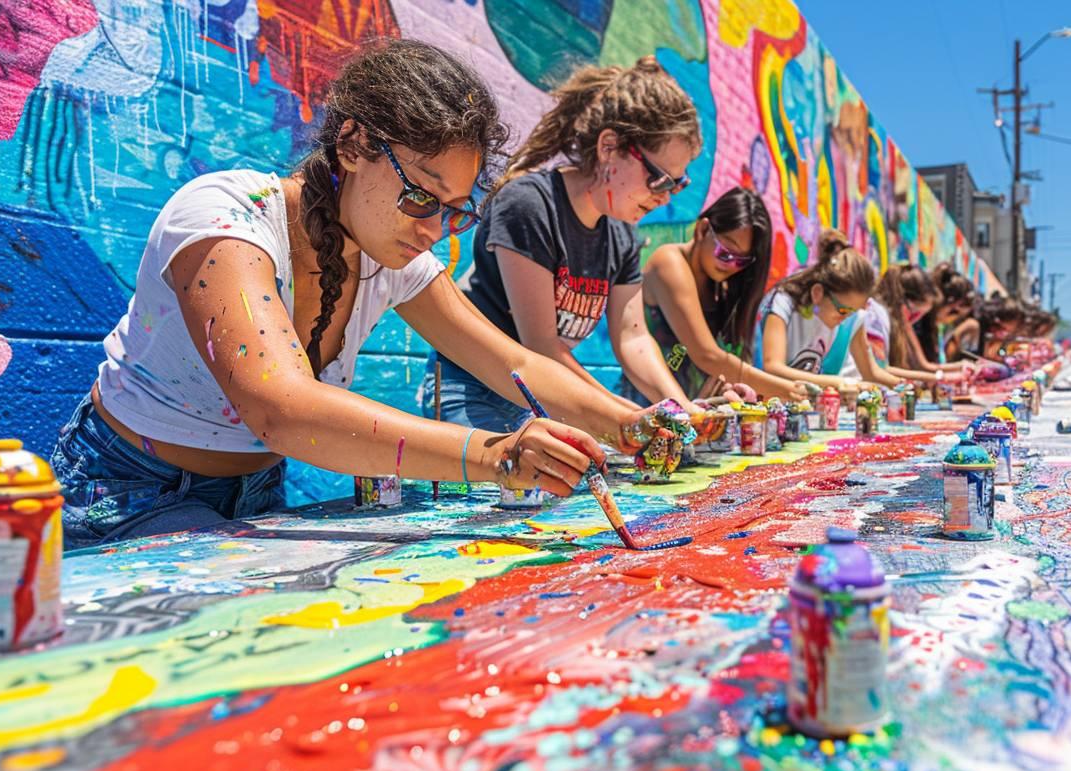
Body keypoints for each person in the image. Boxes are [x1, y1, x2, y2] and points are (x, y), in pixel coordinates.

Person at [49, 40, 670, 549]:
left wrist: (634, 425)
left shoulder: (390, 253)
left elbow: (513, 363)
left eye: (454, 211)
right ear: (351, 144)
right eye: (421, 195)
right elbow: (283, 410)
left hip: (256, 493)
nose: (431, 229)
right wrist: (497, 455)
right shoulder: (225, 216)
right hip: (127, 491)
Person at [428, 57, 704, 430]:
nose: (666, 197)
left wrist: (682, 409)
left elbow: (634, 338)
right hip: (474, 388)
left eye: (678, 184)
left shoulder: (622, 234)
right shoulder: (529, 205)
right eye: (660, 179)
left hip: (542, 397)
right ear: (610, 147)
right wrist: (622, 414)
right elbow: (540, 344)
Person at [632, 187, 808, 403]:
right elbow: (707, 355)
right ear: (703, 229)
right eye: (724, 253)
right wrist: (787, 389)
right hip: (648, 414)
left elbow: (724, 364)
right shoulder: (669, 263)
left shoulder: (720, 288)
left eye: (741, 261)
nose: (731, 266)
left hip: (694, 419)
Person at [757, 229, 878, 395]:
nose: (845, 319)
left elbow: (872, 372)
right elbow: (773, 366)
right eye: (842, 310)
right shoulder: (783, 301)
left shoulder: (843, 318)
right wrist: (838, 382)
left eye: (853, 313)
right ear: (817, 293)